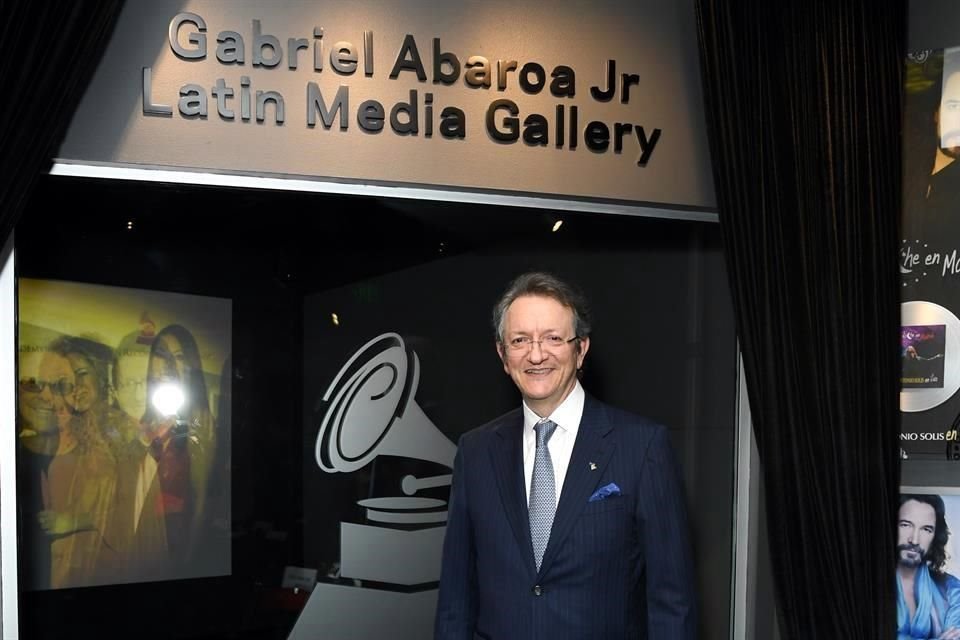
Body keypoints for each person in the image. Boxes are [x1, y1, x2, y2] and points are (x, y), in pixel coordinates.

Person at [435, 271, 696, 639]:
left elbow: (673, 602)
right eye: (520, 340)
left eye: (553, 338)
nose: (536, 354)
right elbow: (455, 599)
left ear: (581, 349)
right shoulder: (475, 452)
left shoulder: (642, 447)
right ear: (503, 354)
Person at [897, 494, 960, 639]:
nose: (914, 540)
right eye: (905, 525)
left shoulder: (951, 589)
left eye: (926, 529)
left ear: (935, 535)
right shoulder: (865, 585)